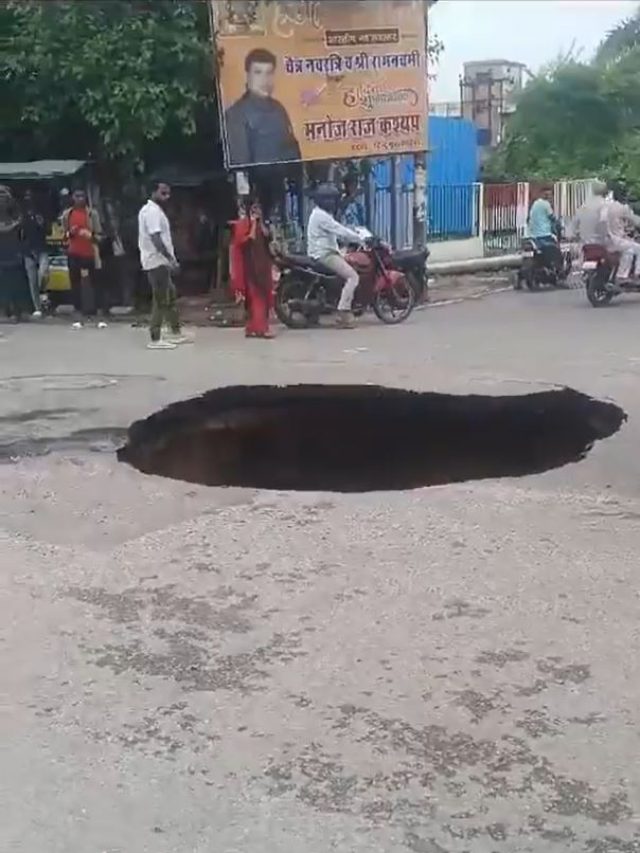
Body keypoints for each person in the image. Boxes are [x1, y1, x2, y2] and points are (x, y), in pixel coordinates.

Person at [224, 48, 301, 166]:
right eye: (258, 72)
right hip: (259, 182)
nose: (264, 80)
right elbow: (240, 166)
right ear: (247, 75)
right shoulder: (236, 115)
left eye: (269, 73)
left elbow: (293, 153)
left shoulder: (279, 109)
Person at [138, 180, 187, 350]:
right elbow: (156, 239)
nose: (167, 197)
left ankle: (175, 331)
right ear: (153, 192)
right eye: (163, 193)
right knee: (160, 299)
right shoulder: (152, 212)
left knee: (170, 295)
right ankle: (155, 337)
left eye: (168, 193)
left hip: (158, 260)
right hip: (156, 261)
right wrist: (170, 259)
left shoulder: (154, 211)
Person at [307, 183, 363, 329]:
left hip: (326, 251)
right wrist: (359, 238)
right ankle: (343, 311)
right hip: (324, 255)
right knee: (353, 276)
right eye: (332, 199)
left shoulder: (321, 213)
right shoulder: (321, 216)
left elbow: (337, 231)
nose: (334, 202)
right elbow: (339, 230)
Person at [230, 199, 275, 339]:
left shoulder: (261, 224)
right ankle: (261, 329)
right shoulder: (243, 225)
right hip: (249, 267)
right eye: (255, 209)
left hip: (262, 265)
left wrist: (260, 223)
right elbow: (248, 239)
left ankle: (252, 328)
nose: (257, 212)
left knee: (264, 298)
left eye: (259, 209)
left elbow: (268, 237)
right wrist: (254, 224)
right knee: (256, 299)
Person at [61, 189, 106, 328]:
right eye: (77, 196)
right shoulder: (67, 214)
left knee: (96, 284)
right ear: (72, 198)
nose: (80, 199)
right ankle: (78, 314)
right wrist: (70, 233)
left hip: (90, 253)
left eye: (82, 196)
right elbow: (64, 236)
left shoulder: (92, 214)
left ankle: (99, 314)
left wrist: (90, 235)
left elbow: (100, 235)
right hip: (74, 252)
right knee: (75, 284)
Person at [0, 185, 31, 322]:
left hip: (14, 256)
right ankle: (4, 312)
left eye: (4, 194)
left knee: (16, 285)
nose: (1, 197)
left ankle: (18, 311)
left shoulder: (18, 216)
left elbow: (22, 233)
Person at [599, 181, 640, 282]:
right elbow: (636, 221)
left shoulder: (606, 207)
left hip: (604, 240)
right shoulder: (623, 208)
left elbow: (601, 221)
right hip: (616, 240)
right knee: (637, 249)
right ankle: (634, 274)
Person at [21, 189, 49, 318]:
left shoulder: (40, 215)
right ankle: (37, 307)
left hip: (41, 249)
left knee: (42, 275)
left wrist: (42, 224)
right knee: (32, 281)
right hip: (28, 251)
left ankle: (44, 297)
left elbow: (47, 232)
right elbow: (21, 236)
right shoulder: (22, 217)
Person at [527, 186, 563, 273]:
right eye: (549, 195)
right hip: (544, 235)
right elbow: (553, 218)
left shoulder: (535, 204)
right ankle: (557, 269)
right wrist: (559, 224)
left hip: (533, 236)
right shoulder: (546, 204)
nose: (550, 197)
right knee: (556, 252)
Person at [569, 180, 609, 246]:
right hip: (603, 246)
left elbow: (573, 229)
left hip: (585, 247)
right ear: (605, 191)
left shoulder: (582, 207)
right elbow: (604, 223)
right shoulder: (606, 205)